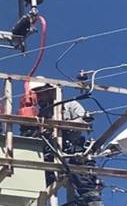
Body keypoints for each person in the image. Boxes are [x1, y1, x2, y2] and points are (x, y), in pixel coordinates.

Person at [29, 77, 103, 206]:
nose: (39, 97)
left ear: (51, 91)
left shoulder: (69, 105)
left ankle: (90, 199)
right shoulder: (41, 114)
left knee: (79, 173)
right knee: (40, 181)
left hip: (72, 149)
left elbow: (86, 120)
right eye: (37, 94)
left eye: (41, 93)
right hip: (51, 153)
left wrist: (62, 126)